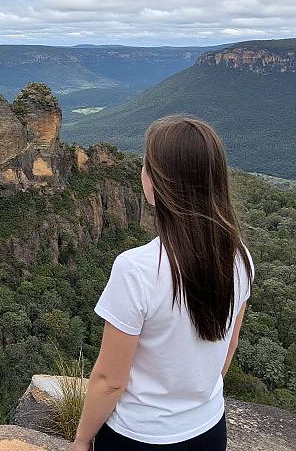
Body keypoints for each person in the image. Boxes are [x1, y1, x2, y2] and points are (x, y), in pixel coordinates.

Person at [71, 114, 255, 451]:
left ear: (157, 182)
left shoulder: (135, 269)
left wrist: (81, 441)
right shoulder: (239, 257)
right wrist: (192, 402)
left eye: (146, 166)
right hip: (209, 430)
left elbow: (110, 381)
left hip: (138, 437)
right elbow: (229, 347)